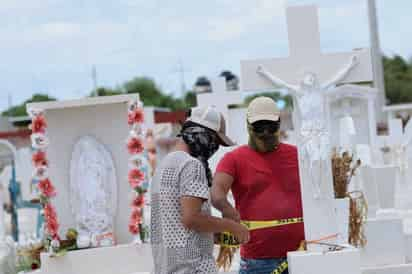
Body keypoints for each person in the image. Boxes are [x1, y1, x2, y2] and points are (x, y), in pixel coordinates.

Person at [150, 106, 250, 274]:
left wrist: (213, 234)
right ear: (203, 136)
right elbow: (191, 219)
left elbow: (177, 224)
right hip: (193, 268)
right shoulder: (191, 165)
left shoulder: (163, 166)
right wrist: (231, 226)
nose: (214, 149)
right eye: (215, 142)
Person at [211, 97, 304, 274]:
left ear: (279, 123)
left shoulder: (298, 155)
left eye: (271, 126)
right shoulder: (234, 159)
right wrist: (228, 211)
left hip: (303, 255)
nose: (266, 133)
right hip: (259, 263)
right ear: (248, 125)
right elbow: (217, 192)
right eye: (259, 127)